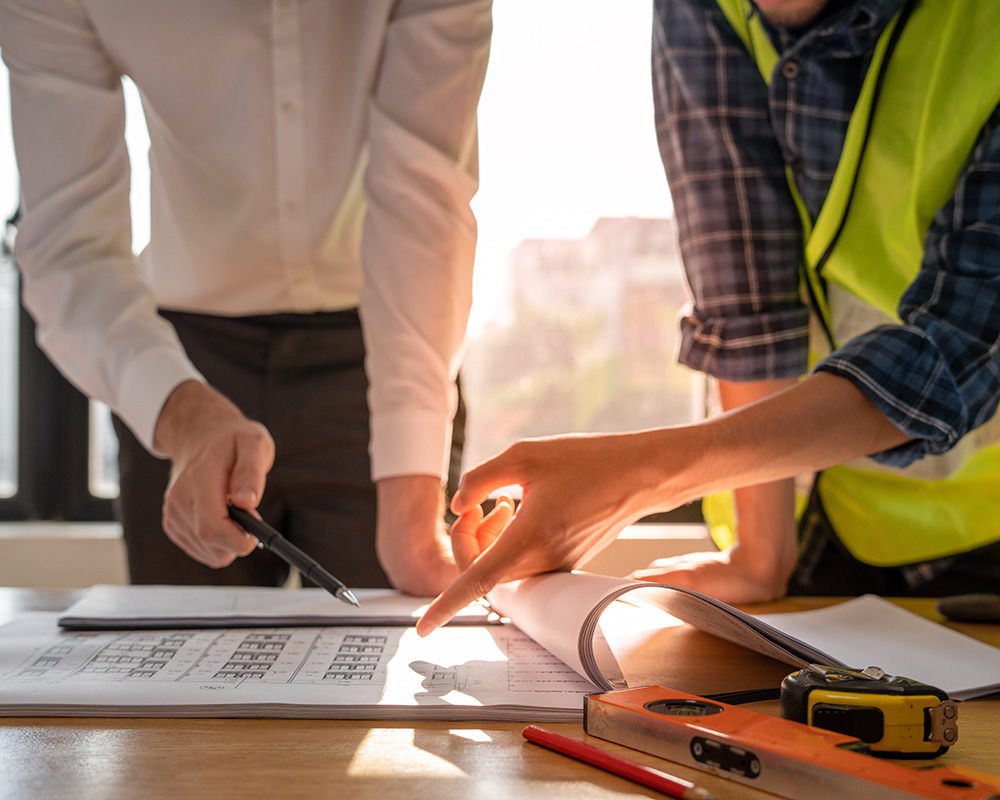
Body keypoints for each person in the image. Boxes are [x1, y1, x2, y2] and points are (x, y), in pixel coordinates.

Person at [416, 0, 1000, 635]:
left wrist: (637, 478)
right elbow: (745, 292)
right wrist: (760, 551)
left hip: (980, 524)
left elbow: (956, 342)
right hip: (811, 527)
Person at [1, 0, 491, 595]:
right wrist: (182, 415)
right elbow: (68, 244)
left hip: (382, 354)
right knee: (187, 672)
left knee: (387, 656)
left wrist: (415, 512)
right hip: (179, 369)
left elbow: (424, 196)